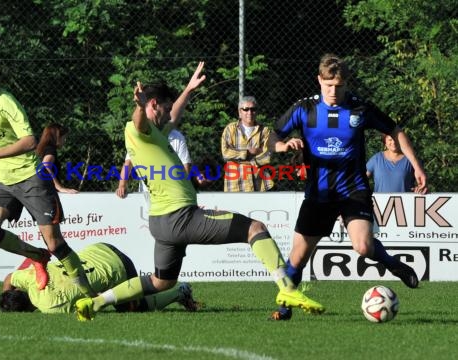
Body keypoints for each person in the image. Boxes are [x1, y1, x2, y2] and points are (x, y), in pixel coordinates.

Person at [75, 61, 324, 322]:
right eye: (165, 108)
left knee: (162, 282)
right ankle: (287, 289)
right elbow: (140, 121)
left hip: (160, 223)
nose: (169, 114)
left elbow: (172, 116)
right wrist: (139, 106)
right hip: (180, 217)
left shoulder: (156, 133)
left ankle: (96, 302)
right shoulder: (141, 129)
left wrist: (189, 89)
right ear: (153, 105)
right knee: (256, 228)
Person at [269, 53, 427, 320]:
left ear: (346, 83)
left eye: (339, 86)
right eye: (328, 85)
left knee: (363, 247)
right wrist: (283, 145)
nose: (333, 91)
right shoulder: (303, 109)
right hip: (318, 193)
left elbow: (395, 130)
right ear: (319, 80)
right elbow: (274, 135)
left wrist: (417, 166)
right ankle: (284, 308)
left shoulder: (360, 108)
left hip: (353, 189)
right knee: (297, 259)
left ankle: (393, 265)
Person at [0, 49, 93, 295]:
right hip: (3, 181)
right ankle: (37, 256)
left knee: (55, 243)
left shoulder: (6, 102)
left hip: (31, 178)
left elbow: (30, 141)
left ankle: (88, 294)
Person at [0, 242, 198, 314]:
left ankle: (179, 292)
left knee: (135, 309)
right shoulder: (30, 278)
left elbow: (88, 305)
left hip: (118, 268)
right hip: (101, 248)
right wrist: (6, 293)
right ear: (19, 291)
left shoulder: (50, 308)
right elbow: (9, 277)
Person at [221, 96, 274, 191]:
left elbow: (267, 156)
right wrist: (248, 153)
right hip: (235, 184)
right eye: (246, 109)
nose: (249, 112)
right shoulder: (230, 129)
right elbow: (226, 153)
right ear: (239, 112)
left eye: (253, 109)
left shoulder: (264, 131)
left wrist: (238, 158)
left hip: (259, 183)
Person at [36, 123, 79, 193]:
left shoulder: (41, 149)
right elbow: (46, 166)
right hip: (48, 191)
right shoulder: (50, 150)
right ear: (57, 137)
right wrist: (59, 187)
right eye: (64, 138)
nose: (65, 141)